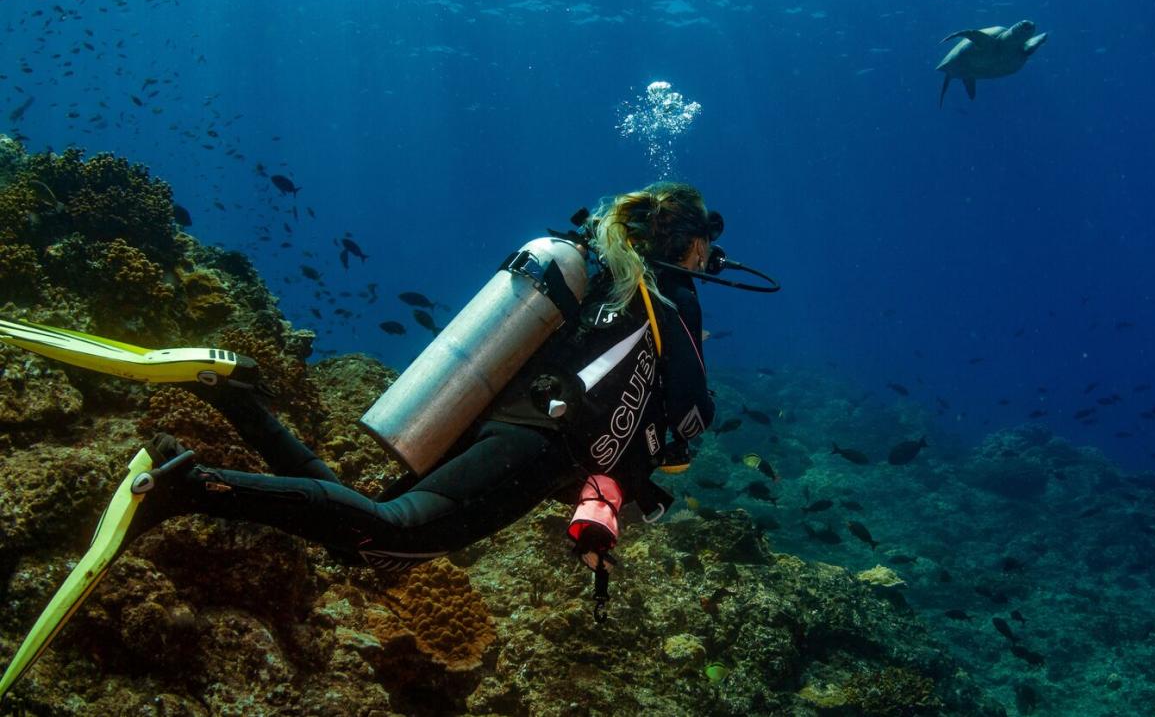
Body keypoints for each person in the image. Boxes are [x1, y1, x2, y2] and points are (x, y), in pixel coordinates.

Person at [130, 181, 720, 576]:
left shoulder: (610, 277)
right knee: (393, 532)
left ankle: (231, 398)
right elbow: (693, 411)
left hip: (503, 422)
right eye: (704, 248)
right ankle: (186, 486)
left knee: (362, 538)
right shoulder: (672, 298)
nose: (706, 261)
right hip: (544, 446)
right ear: (690, 242)